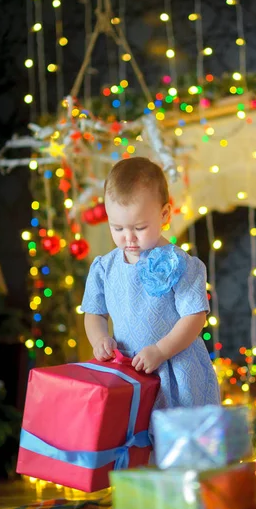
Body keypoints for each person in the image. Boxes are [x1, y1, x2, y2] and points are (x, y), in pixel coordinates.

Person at [80, 156, 221, 418]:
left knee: (180, 443)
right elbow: (94, 313)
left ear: (164, 214)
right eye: (118, 227)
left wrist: (161, 350)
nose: (128, 237)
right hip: (129, 370)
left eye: (140, 227)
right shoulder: (104, 268)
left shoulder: (181, 264)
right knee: (135, 443)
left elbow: (195, 317)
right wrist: (99, 338)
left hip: (175, 368)